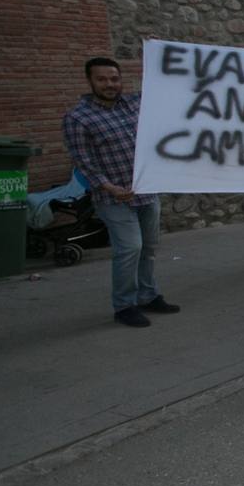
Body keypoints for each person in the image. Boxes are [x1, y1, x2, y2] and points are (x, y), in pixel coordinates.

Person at [62, 57, 181, 328]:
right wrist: (109, 187)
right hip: (113, 197)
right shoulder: (78, 118)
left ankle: (148, 295)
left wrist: (159, 54)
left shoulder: (134, 104)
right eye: (102, 79)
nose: (109, 84)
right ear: (90, 81)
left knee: (149, 247)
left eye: (114, 78)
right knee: (130, 248)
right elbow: (84, 161)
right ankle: (124, 305)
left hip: (146, 193)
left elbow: (165, 85)